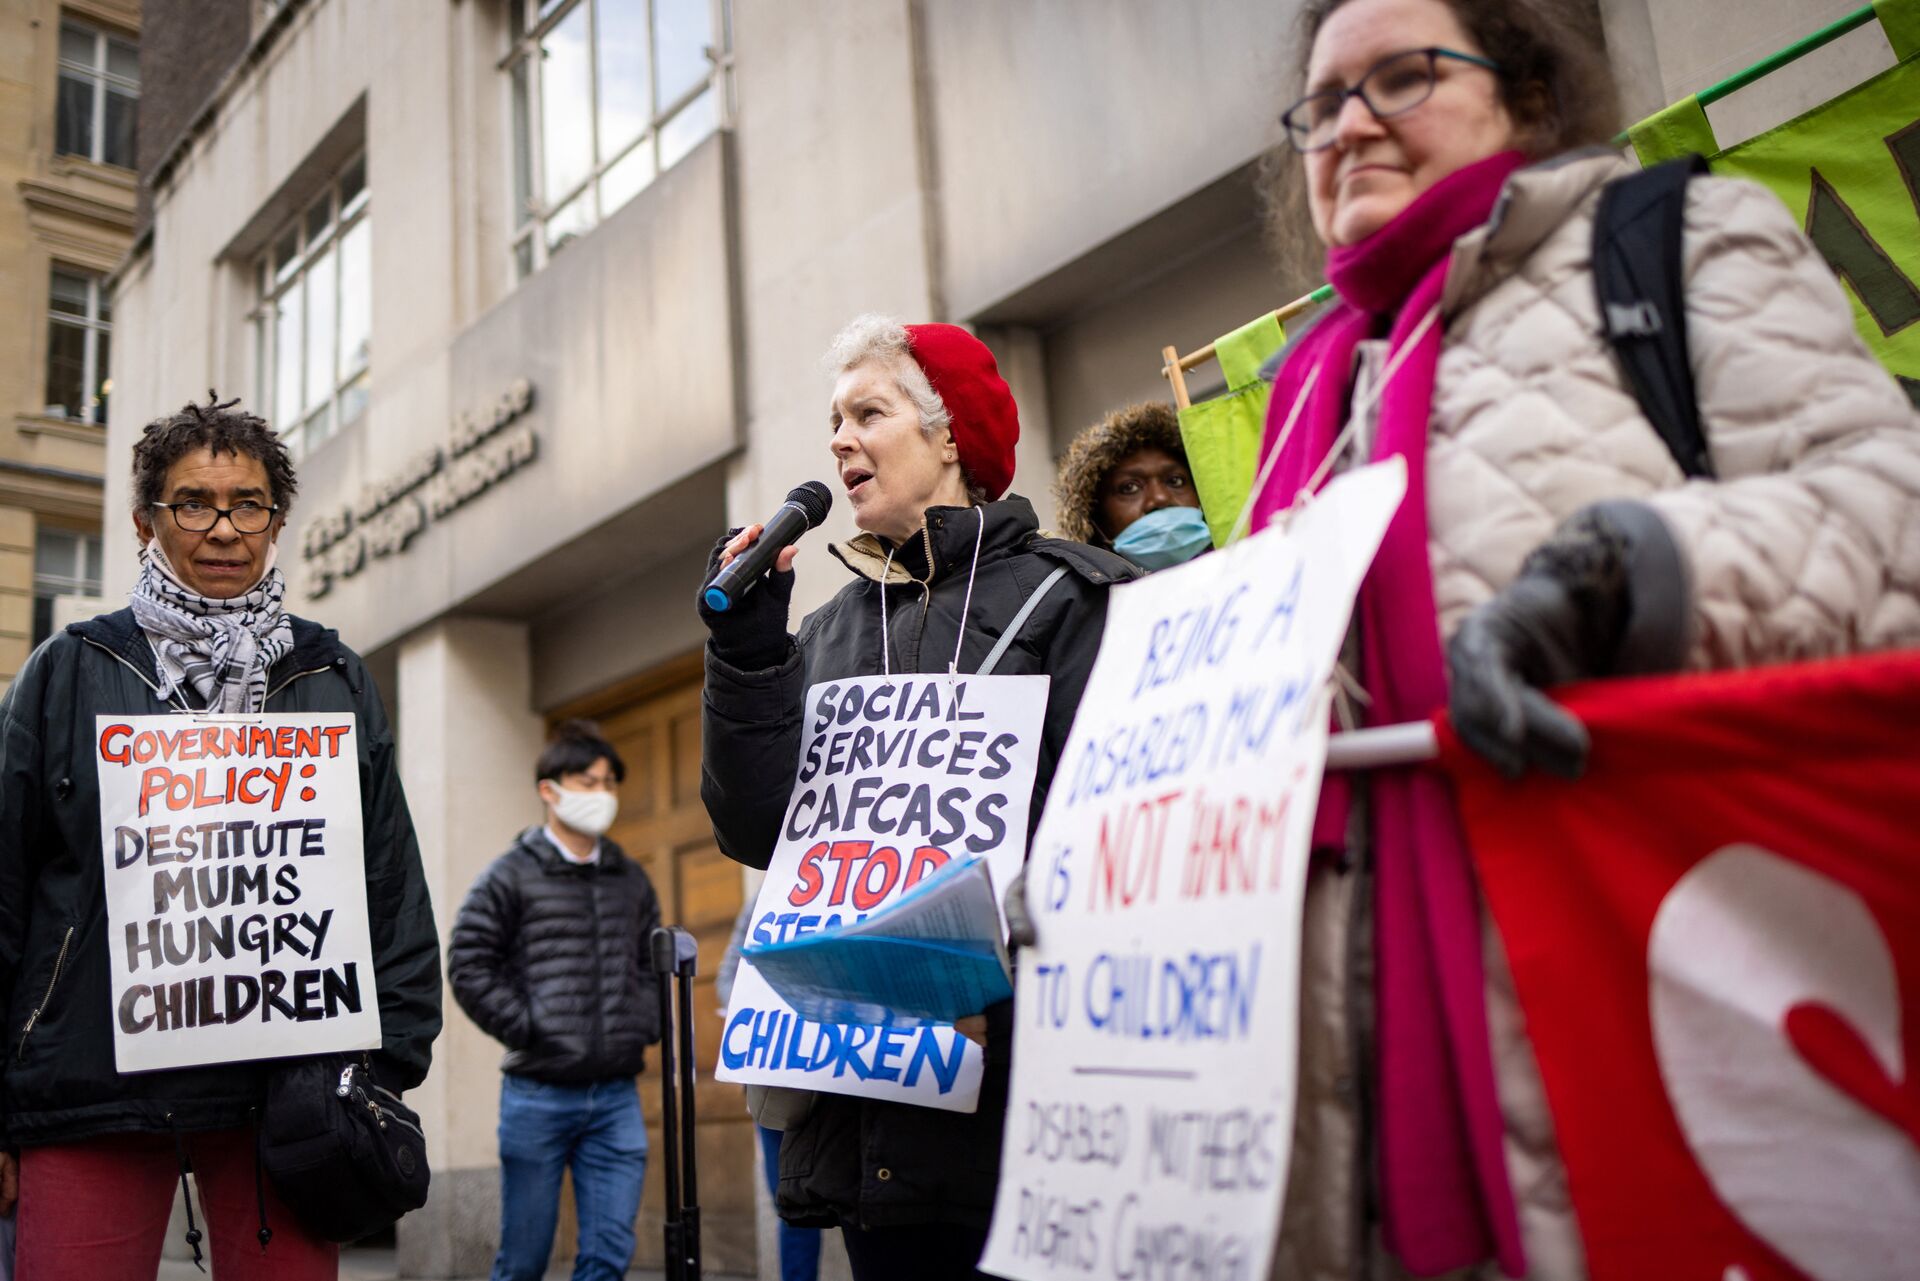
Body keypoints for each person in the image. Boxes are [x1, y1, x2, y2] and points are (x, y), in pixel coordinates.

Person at [1230, 1, 1920, 1278]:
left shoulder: (1675, 241)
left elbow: (1894, 519)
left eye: (1402, 77)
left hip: (1642, 1013)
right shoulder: (1299, 398)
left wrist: (1628, 576)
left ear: (1529, 96)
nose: (1351, 125)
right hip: (1346, 1112)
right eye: (1321, 106)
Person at [698, 316, 1136, 1280]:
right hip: (872, 1124)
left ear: (949, 436)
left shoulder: (1075, 602)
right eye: (833, 420)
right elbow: (753, 829)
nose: (839, 440)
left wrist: (983, 987)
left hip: (1026, 1113)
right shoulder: (820, 633)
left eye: (869, 412)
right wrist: (746, 657)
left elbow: (1115, 848)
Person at [0, 395, 443, 1280]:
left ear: (276, 522)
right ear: (146, 521)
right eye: (193, 502)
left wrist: (384, 1065)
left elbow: (385, 877)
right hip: (92, 1085)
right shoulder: (67, 669)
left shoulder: (332, 676)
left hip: (288, 1094)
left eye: (248, 504)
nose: (223, 528)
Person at [448, 720, 662, 1281]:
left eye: (609, 783)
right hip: (537, 1096)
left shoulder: (631, 879)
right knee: (524, 1261)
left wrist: (642, 1022)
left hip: (616, 1097)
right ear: (550, 789)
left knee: (609, 1256)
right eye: (587, 782)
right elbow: (469, 964)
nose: (602, 795)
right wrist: (530, 1026)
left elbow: (651, 965)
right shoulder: (508, 875)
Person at [714, 902, 821, 1281]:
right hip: (781, 1076)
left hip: (852, 1071)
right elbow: (728, 977)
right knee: (792, 1202)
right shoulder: (765, 900)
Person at [1051, 401, 1210, 569]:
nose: (1159, 498)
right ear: (1094, 520)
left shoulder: (1240, 573)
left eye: (1175, 481)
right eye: (1130, 488)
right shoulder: (1071, 595)